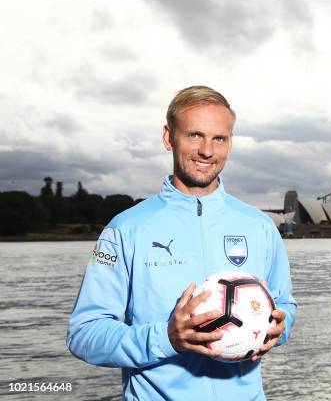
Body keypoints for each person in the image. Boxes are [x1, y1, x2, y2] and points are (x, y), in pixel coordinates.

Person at [67, 85, 297, 400]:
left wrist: (278, 328)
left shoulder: (260, 227)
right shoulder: (122, 230)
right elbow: (84, 333)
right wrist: (165, 338)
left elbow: (285, 304)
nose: (207, 151)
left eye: (219, 138)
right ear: (168, 137)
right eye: (194, 135)